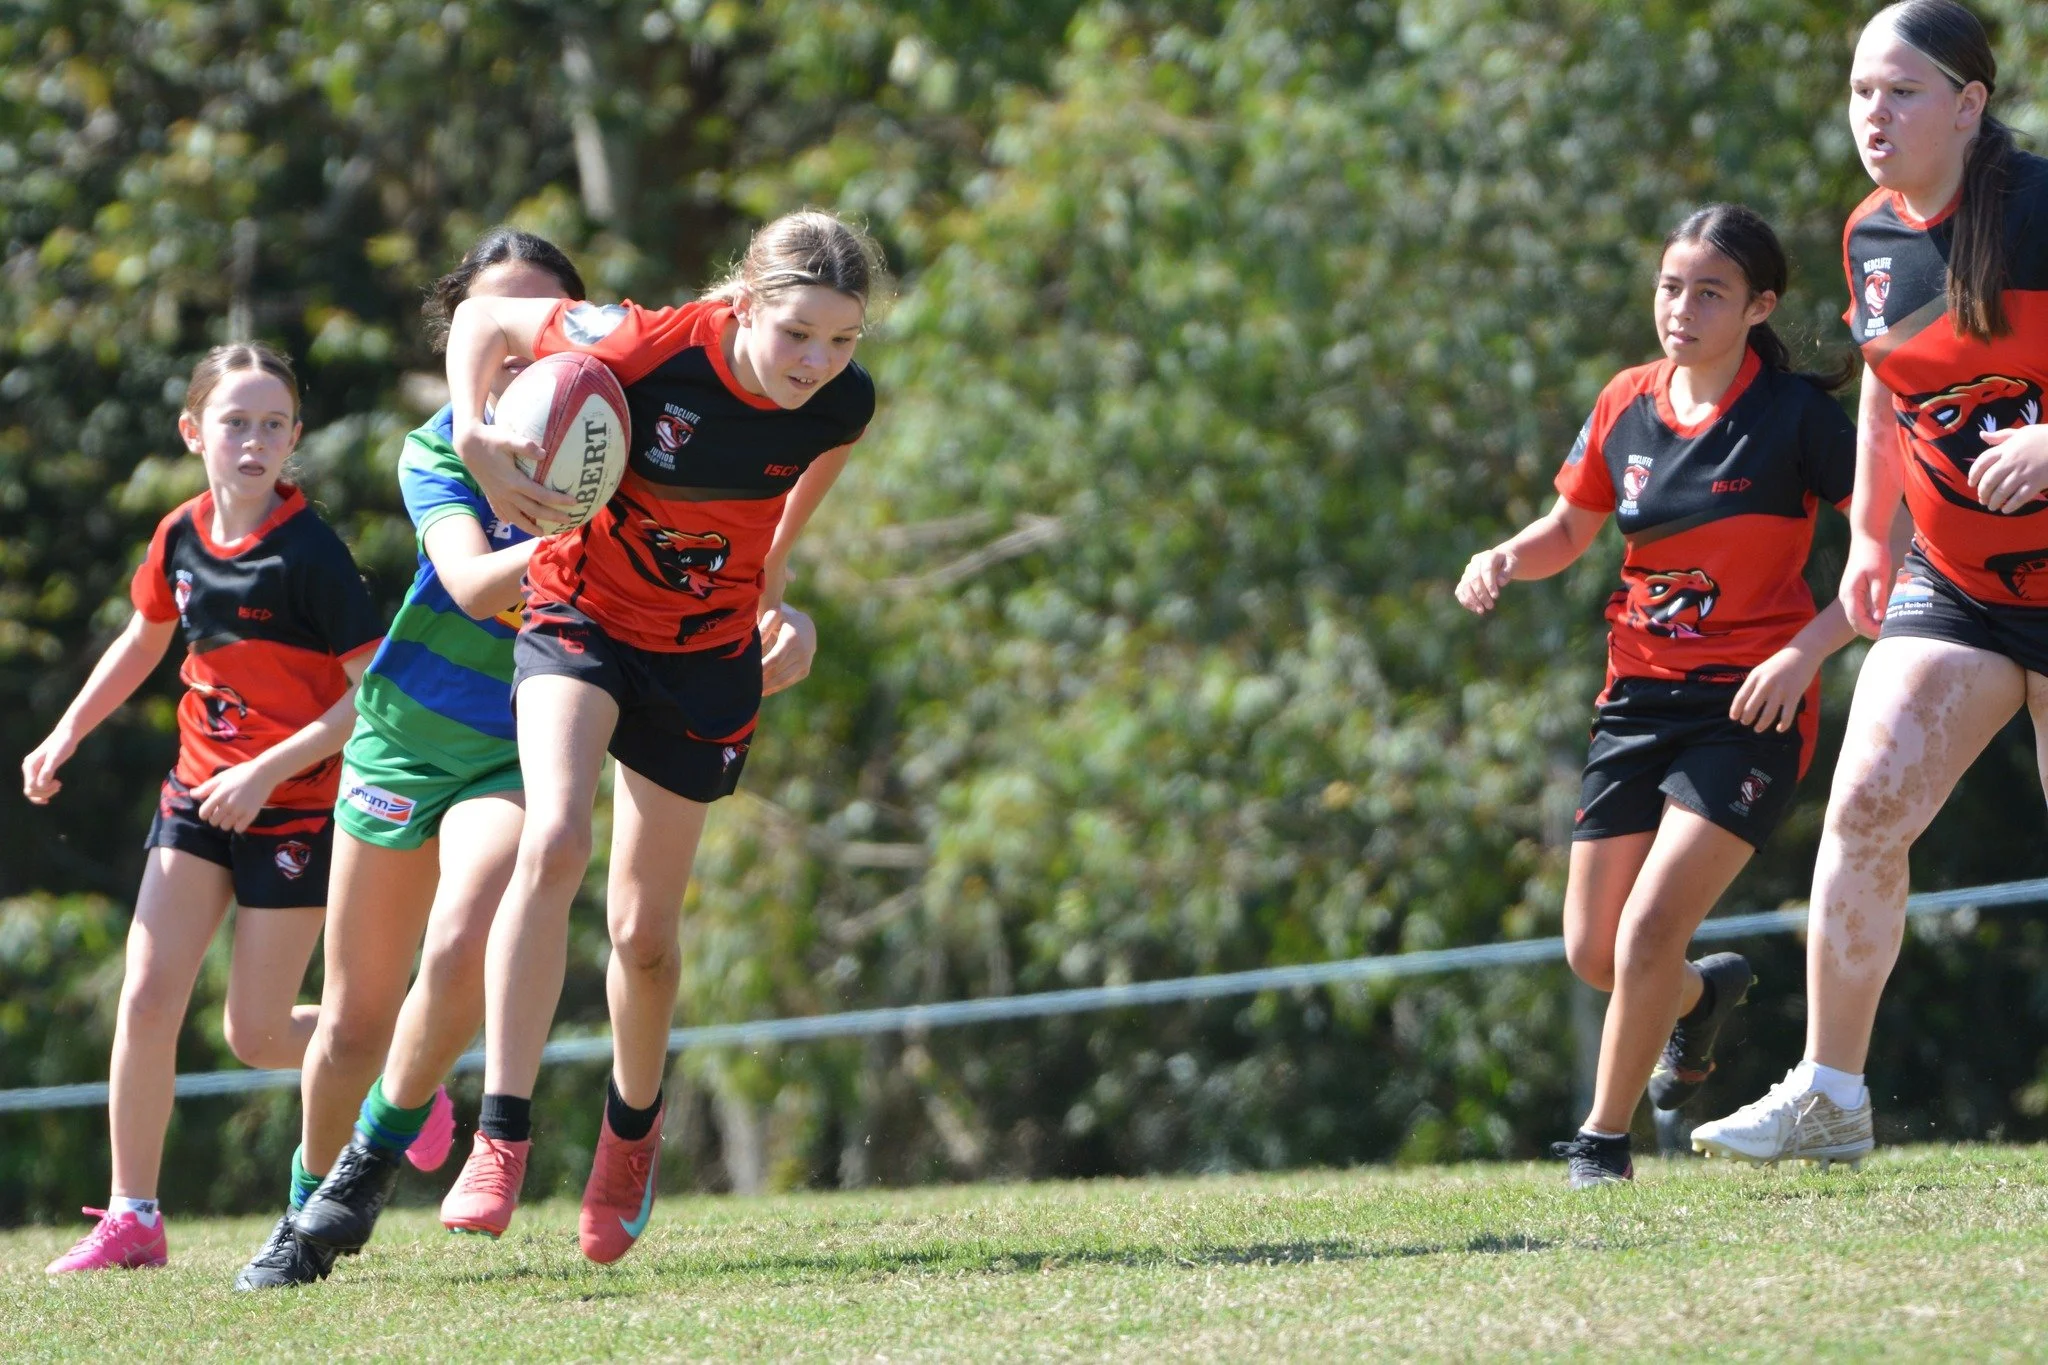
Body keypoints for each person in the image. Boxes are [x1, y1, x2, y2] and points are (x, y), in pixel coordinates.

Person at [415, 208, 876, 1263]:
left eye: (840, 339)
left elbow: (783, 524)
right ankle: (503, 1132)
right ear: (743, 302)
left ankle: (630, 1135)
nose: (816, 361)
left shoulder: (841, 404)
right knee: (554, 840)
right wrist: (476, 438)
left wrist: (779, 604)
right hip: (578, 619)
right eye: (796, 331)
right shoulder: (637, 341)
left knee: (643, 936)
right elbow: (484, 317)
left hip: (703, 657)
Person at [1693, 0, 2048, 1167]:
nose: (1872, 115)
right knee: (1860, 814)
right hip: (1955, 582)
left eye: (1899, 92)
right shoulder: (1869, 236)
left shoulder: (2039, 209)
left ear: (1967, 103)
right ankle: (1829, 1096)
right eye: (1857, 92)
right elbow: (1888, 392)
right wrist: (1865, 537)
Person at [1457, 204, 1859, 1187]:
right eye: (1669, 286)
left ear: (1758, 305)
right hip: (1634, 699)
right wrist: (1508, 554)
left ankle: (1600, 1142)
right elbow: (1569, 525)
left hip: (1749, 708)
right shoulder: (1626, 402)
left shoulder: (1797, 418)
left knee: (1645, 931)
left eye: (1708, 292)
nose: (1679, 308)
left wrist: (1805, 654)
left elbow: (1884, 556)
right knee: (1595, 952)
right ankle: (1697, 1001)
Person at [27, 344, 381, 1272]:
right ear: (194, 434)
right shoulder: (178, 535)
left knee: (257, 1033)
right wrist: (66, 733)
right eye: (235, 422)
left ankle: (395, 1079)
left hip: (294, 807)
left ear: (295, 439)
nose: (254, 440)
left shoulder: (312, 555)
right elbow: (143, 641)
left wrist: (268, 770)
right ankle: (132, 1216)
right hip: (194, 797)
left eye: (274, 424)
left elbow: (371, 698)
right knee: (145, 997)